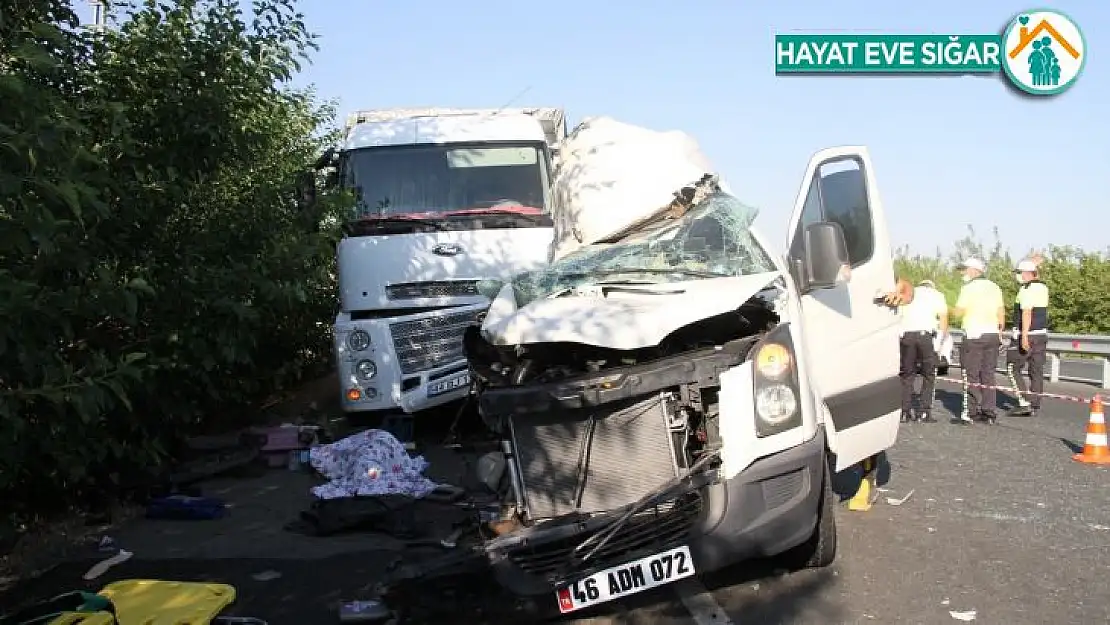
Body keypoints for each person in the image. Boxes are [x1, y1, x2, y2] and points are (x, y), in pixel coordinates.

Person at [953, 258, 1006, 425]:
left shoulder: (968, 288)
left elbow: (958, 312)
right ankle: (989, 412)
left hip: (974, 334)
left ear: (974, 270)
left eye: (965, 269)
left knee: (971, 374)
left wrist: (945, 309)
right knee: (988, 374)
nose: (963, 273)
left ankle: (971, 412)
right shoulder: (995, 286)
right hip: (992, 334)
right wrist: (1000, 333)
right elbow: (1001, 311)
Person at [1007, 258, 1049, 416]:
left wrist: (1023, 336)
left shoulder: (1027, 289)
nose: (1018, 276)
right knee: (1036, 370)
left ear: (1026, 273)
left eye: (1019, 272)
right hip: (1041, 334)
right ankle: (1035, 404)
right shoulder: (1043, 287)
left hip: (1027, 334)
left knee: (1012, 367)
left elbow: (1026, 312)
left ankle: (1024, 401)